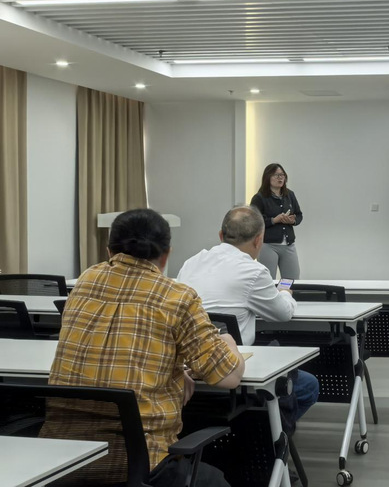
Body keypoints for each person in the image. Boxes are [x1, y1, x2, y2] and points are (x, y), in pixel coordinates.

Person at [43, 209, 244, 487]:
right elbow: (228, 377)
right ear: (166, 255)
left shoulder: (85, 282)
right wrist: (229, 342)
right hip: (138, 462)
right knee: (216, 481)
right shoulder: (177, 297)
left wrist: (173, 371)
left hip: (60, 461)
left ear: (109, 251)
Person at [178, 205, 319, 419]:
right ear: (258, 240)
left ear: (220, 235)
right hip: (233, 368)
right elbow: (283, 314)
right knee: (309, 385)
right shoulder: (254, 271)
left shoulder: (190, 263)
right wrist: (284, 292)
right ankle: (269, 432)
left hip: (188, 366)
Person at [250, 163, 302, 279]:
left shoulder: (290, 195)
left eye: (282, 175)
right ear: (268, 177)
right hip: (268, 245)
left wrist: (292, 221)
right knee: (268, 280)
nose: (280, 178)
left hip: (288, 244)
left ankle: (285, 292)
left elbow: (299, 215)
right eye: (276, 175)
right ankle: (273, 292)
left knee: (291, 280)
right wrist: (274, 220)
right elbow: (253, 222)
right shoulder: (259, 198)